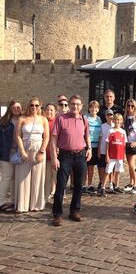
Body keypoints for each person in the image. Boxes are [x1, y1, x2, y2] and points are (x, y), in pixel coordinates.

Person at [51, 95, 92, 226]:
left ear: (81, 106)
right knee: (61, 186)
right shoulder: (61, 119)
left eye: (78, 104)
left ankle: (74, 210)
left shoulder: (84, 120)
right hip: (65, 156)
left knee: (79, 186)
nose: (75, 106)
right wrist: (54, 157)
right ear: (69, 105)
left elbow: (87, 137)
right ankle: (57, 214)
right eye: (73, 104)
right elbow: (53, 140)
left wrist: (89, 149)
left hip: (80, 155)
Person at [15, 97, 49, 213]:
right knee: (23, 178)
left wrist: (41, 152)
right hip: (25, 149)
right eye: (31, 105)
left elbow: (47, 137)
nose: (34, 108)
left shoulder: (43, 119)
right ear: (28, 106)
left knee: (38, 178)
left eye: (36, 105)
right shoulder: (22, 119)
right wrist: (22, 152)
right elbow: (18, 136)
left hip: (39, 149)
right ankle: (23, 205)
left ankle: (36, 204)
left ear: (40, 106)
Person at [0, 100, 22, 213]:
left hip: (19, 154)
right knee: (6, 178)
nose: (16, 109)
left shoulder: (24, 120)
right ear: (10, 108)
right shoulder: (4, 121)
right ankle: (1, 202)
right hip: (6, 153)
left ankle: (14, 201)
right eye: (14, 107)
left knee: (15, 179)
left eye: (18, 107)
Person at [103, 113, 127, 195]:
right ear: (113, 120)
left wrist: (124, 156)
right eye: (116, 120)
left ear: (121, 121)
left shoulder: (123, 132)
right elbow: (107, 144)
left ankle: (116, 186)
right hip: (112, 155)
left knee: (118, 171)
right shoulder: (110, 131)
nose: (117, 121)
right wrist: (107, 155)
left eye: (119, 120)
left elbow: (124, 145)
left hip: (120, 156)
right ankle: (103, 187)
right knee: (108, 171)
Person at [83, 100, 102, 194]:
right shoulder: (85, 118)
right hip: (87, 146)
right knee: (84, 167)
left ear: (98, 109)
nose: (94, 109)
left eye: (96, 107)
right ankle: (83, 185)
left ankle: (89, 184)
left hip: (96, 146)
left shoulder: (99, 119)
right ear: (89, 108)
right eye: (92, 107)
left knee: (91, 167)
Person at [123, 99, 136, 194]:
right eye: (128, 105)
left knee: (131, 164)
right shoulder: (125, 116)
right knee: (129, 164)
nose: (130, 107)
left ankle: (135, 184)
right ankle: (131, 183)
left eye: (132, 106)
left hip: (134, 143)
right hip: (127, 142)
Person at [44, 103, 57, 203]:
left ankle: (59, 195)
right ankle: (45, 197)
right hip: (45, 153)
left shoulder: (57, 122)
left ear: (55, 112)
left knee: (57, 176)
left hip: (55, 154)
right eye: (48, 110)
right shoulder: (42, 121)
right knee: (47, 177)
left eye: (51, 110)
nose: (49, 112)